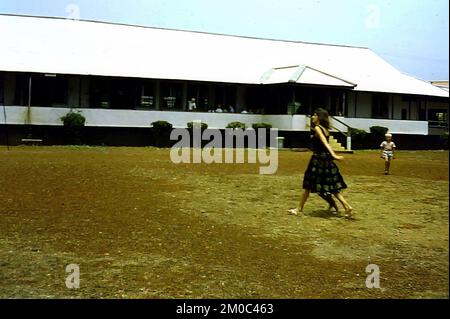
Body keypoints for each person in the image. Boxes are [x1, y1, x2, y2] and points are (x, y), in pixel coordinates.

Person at [288, 108, 354, 218]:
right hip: (326, 159)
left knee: (308, 185)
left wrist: (334, 155)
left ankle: (298, 209)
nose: (312, 117)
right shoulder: (325, 129)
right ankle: (347, 206)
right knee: (332, 187)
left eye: (314, 115)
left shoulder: (318, 128)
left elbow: (325, 143)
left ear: (319, 117)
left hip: (318, 160)